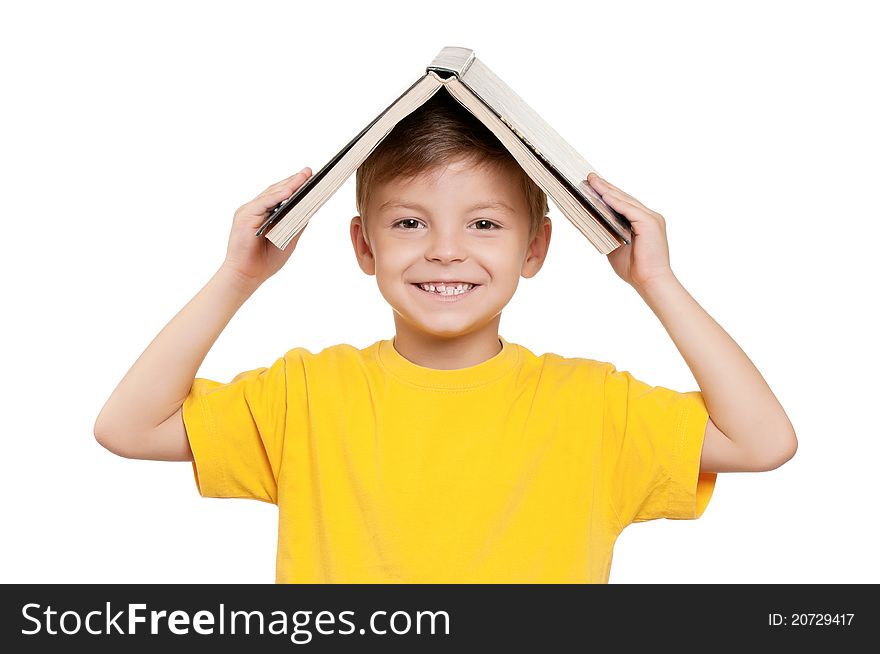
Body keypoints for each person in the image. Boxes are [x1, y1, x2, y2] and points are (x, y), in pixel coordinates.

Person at [94, 92, 797, 583]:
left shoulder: (592, 404)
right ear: (363, 246)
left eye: (484, 224)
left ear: (537, 249)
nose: (445, 251)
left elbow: (763, 443)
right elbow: (128, 427)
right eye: (409, 223)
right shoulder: (306, 393)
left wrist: (656, 282)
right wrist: (237, 277)